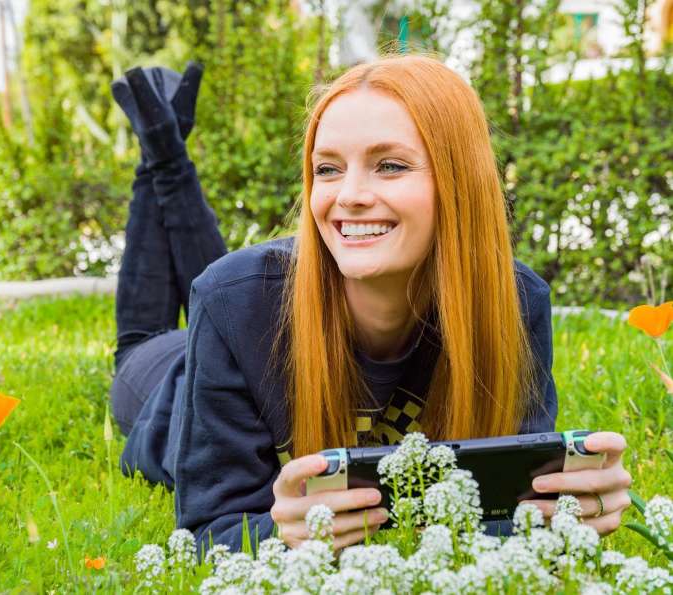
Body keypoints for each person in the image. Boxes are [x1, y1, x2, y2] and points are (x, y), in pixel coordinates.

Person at [110, 54, 632, 554]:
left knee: (233, 288)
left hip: (239, 313)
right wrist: (277, 534)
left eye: (389, 165)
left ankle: (165, 145)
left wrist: (566, 510)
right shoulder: (234, 304)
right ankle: (160, 150)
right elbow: (209, 529)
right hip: (162, 384)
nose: (350, 194)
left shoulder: (513, 302)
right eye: (329, 170)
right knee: (151, 333)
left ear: (460, 183)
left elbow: (512, 500)